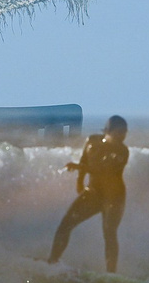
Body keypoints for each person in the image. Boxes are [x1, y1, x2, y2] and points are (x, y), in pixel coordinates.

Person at [47, 115, 129, 274]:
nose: (122, 136)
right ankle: (52, 262)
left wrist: (79, 168)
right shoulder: (92, 141)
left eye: (125, 132)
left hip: (114, 197)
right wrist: (80, 182)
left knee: (109, 232)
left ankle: (111, 274)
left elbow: (105, 171)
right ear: (108, 131)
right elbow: (85, 161)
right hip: (94, 193)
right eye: (119, 132)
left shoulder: (122, 151)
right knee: (65, 225)